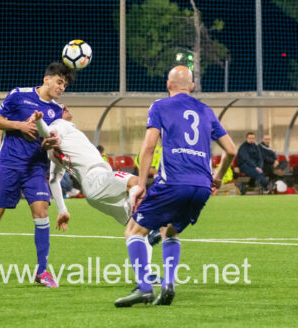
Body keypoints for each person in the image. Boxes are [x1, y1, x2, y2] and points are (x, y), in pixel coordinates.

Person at [114, 65, 236, 307]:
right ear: (191, 86)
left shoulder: (160, 106)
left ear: (168, 85)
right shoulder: (206, 111)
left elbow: (149, 146)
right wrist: (219, 176)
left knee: (133, 231)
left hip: (174, 182)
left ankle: (144, 288)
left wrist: (139, 184)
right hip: (201, 186)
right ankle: (168, 283)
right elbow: (231, 150)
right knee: (170, 230)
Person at [0, 63, 75, 287]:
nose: (62, 88)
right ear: (47, 79)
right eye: (60, 82)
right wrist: (20, 126)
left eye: (65, 85)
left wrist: (49, 143)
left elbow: (49, 141)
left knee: (41, 211)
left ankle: (42, 271)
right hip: (10, 164)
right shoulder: (18, 95)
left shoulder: (57, 111)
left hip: (35, 167)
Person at [33, 109, 159, 283]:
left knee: (138, 225)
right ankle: (160, 224)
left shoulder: (52, 154)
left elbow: (54, 180)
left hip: (92, 192)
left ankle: (145, 274)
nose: (66, 108)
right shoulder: (59, 124)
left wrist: (63, 210)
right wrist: (40, 122)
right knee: (138, 182)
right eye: (62, 108)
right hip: (97, 178)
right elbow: (51, 135)